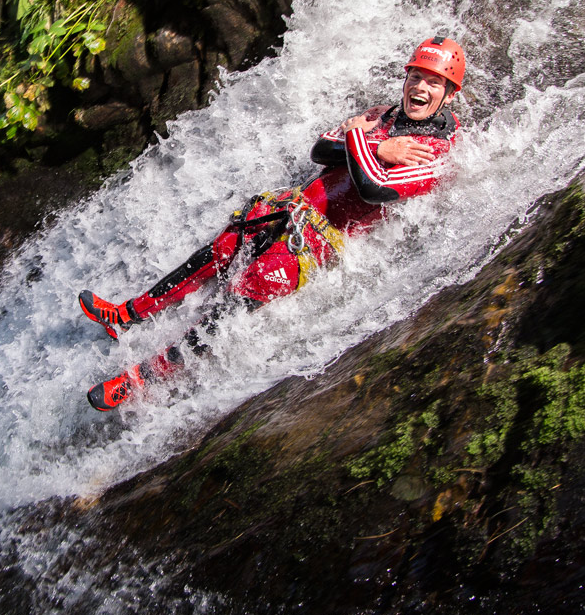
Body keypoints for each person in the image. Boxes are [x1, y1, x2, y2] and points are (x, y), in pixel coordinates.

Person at [79, 35, 467, 411]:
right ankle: (126, 315)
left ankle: (139, 381)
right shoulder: (383, 115)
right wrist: (368, 143)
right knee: (217, 252)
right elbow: (321, 150)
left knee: (232, 305)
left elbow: (373, 187)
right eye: (415, 76)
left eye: (433, 82)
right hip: (292, 206)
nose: (420, 87)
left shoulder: (434, 152)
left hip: (315, 242)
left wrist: (361, 141)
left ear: (449, 94)